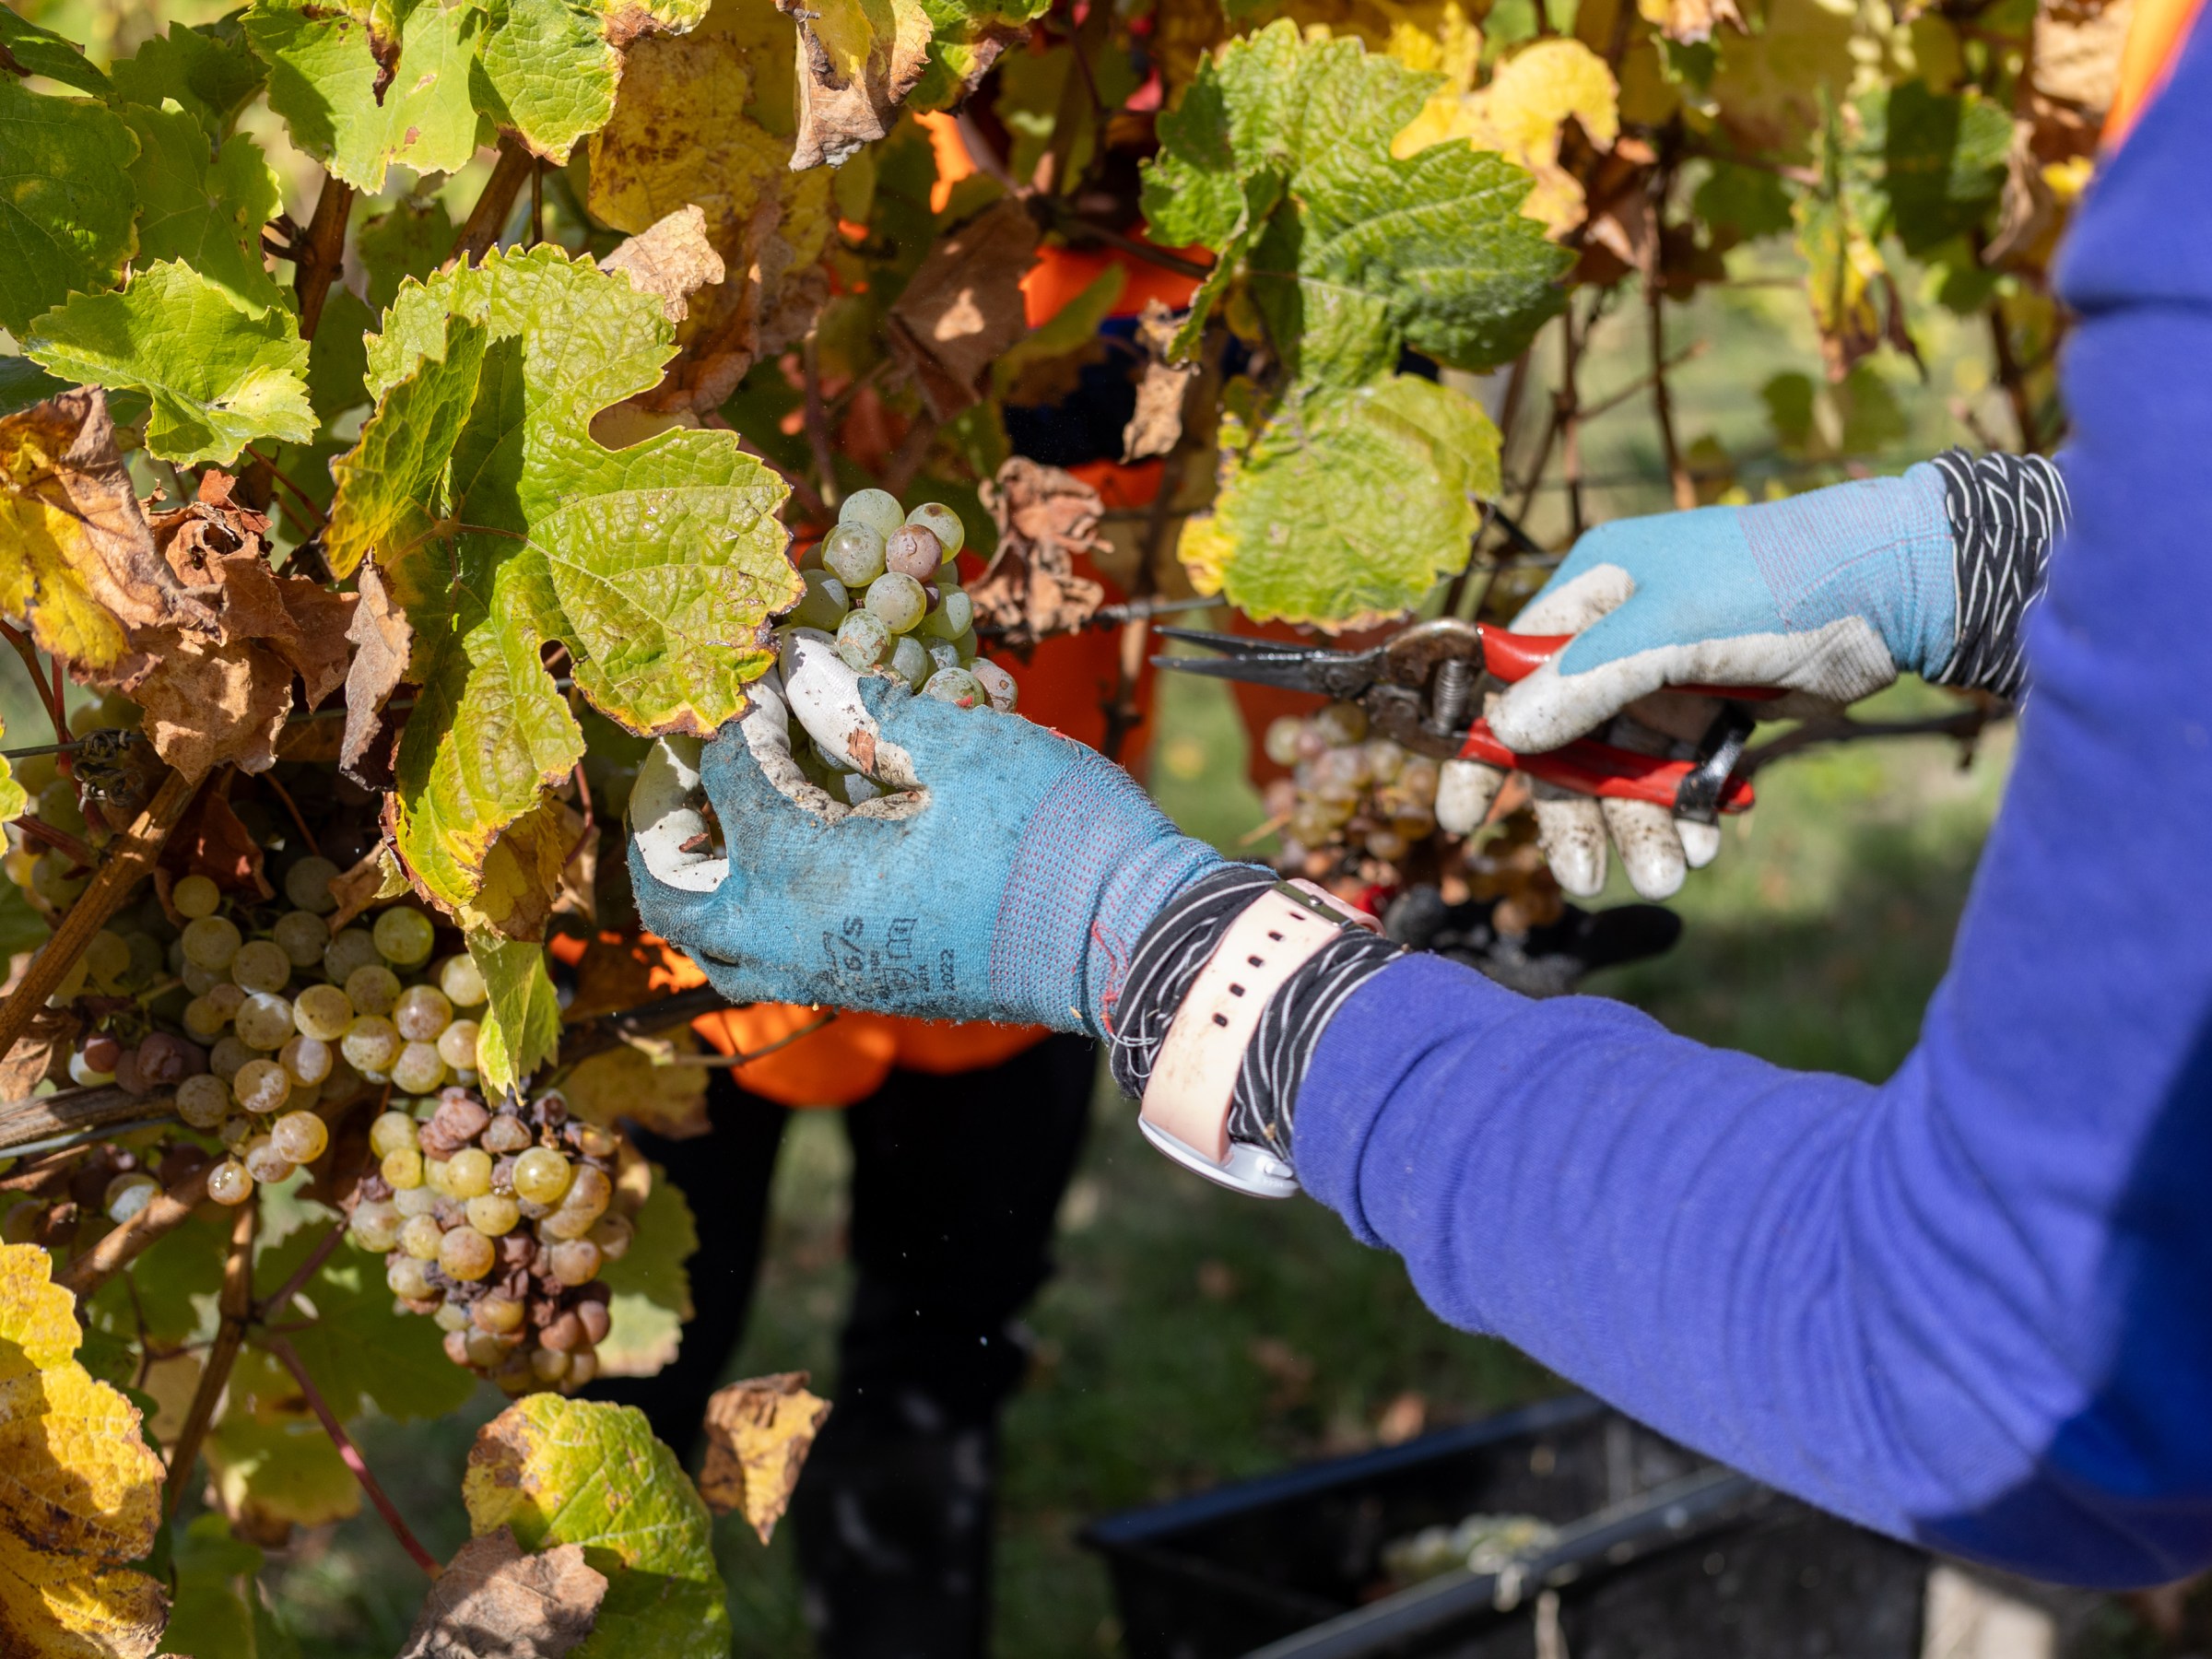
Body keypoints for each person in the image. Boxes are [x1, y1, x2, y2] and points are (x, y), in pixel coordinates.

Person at [630, 4, 2212, 1592]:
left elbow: (2006, 1384)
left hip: (981, 918)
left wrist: (1208, 967)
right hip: (703, 941)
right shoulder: (733, 107)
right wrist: (1994, 555)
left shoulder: (1174, 120)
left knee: (935, 1375)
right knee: (643, 1405)